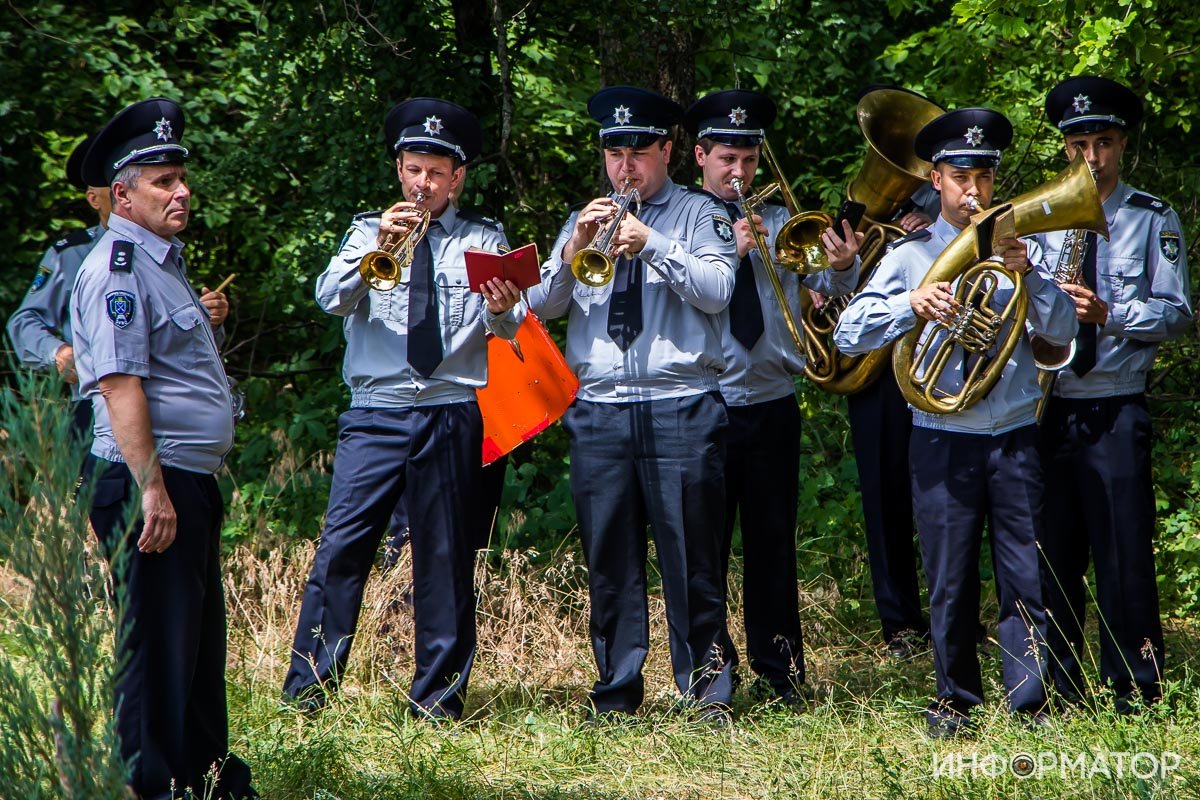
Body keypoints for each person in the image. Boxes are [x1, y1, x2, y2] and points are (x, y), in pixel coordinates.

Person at [833, 108, 1078, 736]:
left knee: (1026, 574)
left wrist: (1031, 275)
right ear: (936, 179)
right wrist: (910, 306)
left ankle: (1030, 701)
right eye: (960, 176)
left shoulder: (1020, 249)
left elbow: (1061, 333)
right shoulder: (911, 256)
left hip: (1015, 436)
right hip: (943, 440)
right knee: (949, 577)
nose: (974, 190)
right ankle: (955, 700)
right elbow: (849, 332)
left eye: (984, 177)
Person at [281, 97, 522, 722]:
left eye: (437, 172)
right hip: (376, 410)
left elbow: (510, 327)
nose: (424, 183)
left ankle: (438, 702)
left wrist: (499, 304)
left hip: (448, 408)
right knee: (342, 549)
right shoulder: (367, 231)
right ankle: (307, 692)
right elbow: (329, 299)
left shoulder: (481, 236)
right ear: (399, 170)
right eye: (415, 169)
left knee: (444, 557)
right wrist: (375, 253)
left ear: (458, 177)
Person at [527, 85, 738, 721]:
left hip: (680, 404)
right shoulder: (583, 217)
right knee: (610, 561)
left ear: (667, 151)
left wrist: (654, 244)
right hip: (600, 408)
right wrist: (570, 253)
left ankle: (706, 694)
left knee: (692, 558)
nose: (625, 167)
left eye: (638, 153)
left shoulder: (700, 214)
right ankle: (616, 692)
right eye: (614, 153)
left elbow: (719, 289)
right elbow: (541, 307)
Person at [69, 97, 253, 799]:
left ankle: (204, 777)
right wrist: (152, 489)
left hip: (185, 478)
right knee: (157, 650)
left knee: (197, 649)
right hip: (152, 481)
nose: (180, 192)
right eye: (162, 182)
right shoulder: (116, 268)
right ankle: (150, 784)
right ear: (123, 193)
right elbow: (119, 388)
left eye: (181, 177)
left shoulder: (161, 262)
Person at [682, 88, 861, 702]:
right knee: (703, 548)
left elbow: (825, 291)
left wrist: (840, 268)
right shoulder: (681, 219)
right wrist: (729, 252)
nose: (739, 173)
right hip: (703, 402)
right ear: (700, 156)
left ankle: (781, 669)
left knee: (772, 541)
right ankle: (710, 675)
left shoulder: (781, 218)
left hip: (772, 399)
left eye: (750, 161)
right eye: (727, 159)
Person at [1036, 76, 1193, 712]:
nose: (1091, 158)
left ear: (1121, 143)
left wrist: (1112, 313)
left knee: (1123, 547)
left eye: (1102, 142)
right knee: (1054, 551)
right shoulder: (1040, 218)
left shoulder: (1152, 217)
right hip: (1048, 406)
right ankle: (1058, 685)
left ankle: (1135, 686)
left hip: (1115, 403)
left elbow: (1178, 310)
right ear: (1066, 149)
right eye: (1079, 145)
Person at [7, 132, 110, 440]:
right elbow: (24, 322)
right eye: (115, 185)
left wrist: (211, 320)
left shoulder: (166, 253)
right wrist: (58, 352)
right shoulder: (72, 254)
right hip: (94, 405)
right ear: (94, 198)